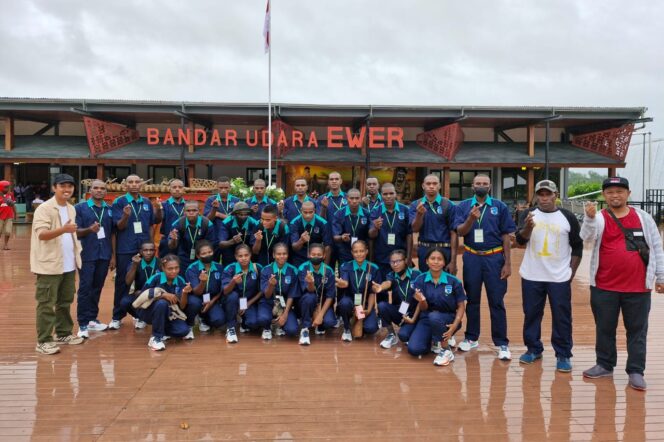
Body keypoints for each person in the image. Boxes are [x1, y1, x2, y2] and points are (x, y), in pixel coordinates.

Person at [580, 177, 664, 391]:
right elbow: (586, 238)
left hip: (638, 287)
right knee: (604, 328)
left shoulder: (644, 217)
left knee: (637, 330)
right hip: (604, 285)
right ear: (604, 195)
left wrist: (661, 276)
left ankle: (636, 371)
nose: (614, 195)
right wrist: (589, 219)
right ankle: (604, 364)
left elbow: (656, 246)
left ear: (628, 193)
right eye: (610, 192)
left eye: (619, 191)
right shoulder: (598, 217)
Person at [515, 180, 583, 372]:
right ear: (536, 196)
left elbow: (577, 245)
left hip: (559, 276)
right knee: (531, 314)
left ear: (555, 195)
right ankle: (533, 349)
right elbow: (520, 241)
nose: (544, 198)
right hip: (532, 274)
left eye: (548, 194)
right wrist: (528, 227)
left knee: (562, 316)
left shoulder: (567, 216)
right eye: (541, 194)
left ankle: (563, 354)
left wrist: (571, 272)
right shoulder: (527, 215)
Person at [454, 174, 516, 360]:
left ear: (490, 186)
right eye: (478, 183)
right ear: (472, 186)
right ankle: (471, 337)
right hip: (472, 256)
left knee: (496, 301)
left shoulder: (500, 206)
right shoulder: (464, 206)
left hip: (494, 258)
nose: (481, 186)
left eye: (485, 183)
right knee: (472, 299)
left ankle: (502, 343)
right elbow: (459, 231)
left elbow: (506, 235)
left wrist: (508, 262)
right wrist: (471, 219)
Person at [31, 174, 85, 354]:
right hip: (49, 265)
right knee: (46, 303)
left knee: (65, 301)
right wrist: (64, 229)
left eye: (70, 186)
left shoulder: (71, 208)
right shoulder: (44, 208)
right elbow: (42, 234)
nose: (67, 189)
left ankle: (63, 333)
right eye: (63, 186)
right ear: (54, 188)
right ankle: (44, 340)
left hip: (68, 264)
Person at [110, 174, 156, 330]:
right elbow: (118, 227)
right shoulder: (119, 202)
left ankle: (140, 315)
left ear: (141, 184)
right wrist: (125, 215)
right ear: (125, 185)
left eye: (137, 181)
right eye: (131, 182)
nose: (134, 184)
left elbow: (151, 225)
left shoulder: (147, 202)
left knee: (144, 282)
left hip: (144, 249)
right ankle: (117, 316)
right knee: (122, 283)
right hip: (126, 248)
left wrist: (150, 244)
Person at [409, 247, 466, 366]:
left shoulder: (453, 281)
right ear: (426, 261)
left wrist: (455, 324)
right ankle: (435, 339)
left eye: (439, 259)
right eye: (432, 258)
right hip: (426, 318)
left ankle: (446, 350)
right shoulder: (420, 279)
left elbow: (461, 305)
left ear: (444, 262)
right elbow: (423, 308)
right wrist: (423, 300)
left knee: (435, 317)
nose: (436, 262)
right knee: (415, 349)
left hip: (448, 318)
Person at [74, 180, 116, 338]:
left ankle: (92, 319)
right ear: (90, 190)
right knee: (85, 288)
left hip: (104, 254)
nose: (99, 191)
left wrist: (113, 256)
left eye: (102, 188)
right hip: (87, 254)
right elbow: (75, 231)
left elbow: (112, 233)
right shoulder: (80, 208)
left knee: (97, 287)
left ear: (106, 191)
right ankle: (82, 323)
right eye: (96, 188)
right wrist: (89, 230)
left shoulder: (109, 209)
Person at [136, 254, 193, 350]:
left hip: (170, 314)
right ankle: (156, 338)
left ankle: (162, 330)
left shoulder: (180, 280)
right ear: (163, 268)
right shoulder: (155, 278)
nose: (174, 271)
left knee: (183, 331)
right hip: (148, 312)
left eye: (176, 268)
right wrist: (162, 295)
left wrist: (184, 292)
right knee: (162, 303)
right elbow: (142, 297)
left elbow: (182, 306)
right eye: (170, 269)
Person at [373, 249, 421, 349]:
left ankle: (414, 331)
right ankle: (391, 335)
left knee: (404, 336)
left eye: (398, 261)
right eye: (392, 262)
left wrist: (414, 318)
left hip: (415, 313)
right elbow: (388, 283)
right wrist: (381, 287)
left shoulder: (417, 275)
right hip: (400, 311)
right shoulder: (391, 275)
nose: (395, 264)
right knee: (382, 306)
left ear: (406, 260)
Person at [409, 174, 457, 273]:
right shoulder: (415, 205)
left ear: (439, 186)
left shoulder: (448, 205)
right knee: (426, 282)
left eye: (435, 183)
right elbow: (414, 229)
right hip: (424, 249)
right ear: (423, 186)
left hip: (444, 249)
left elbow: (454, 233)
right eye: (428, 183)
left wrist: (453, 261)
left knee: (445, 284)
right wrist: (419, 214)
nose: (431, 186)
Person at [336, 240, 382, 342]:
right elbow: (345, 282)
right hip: (351, 301)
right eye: (356, 251)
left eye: (361, 251)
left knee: (371, 328)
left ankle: (361, 320)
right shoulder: (345, 266)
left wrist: (369, 310)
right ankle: (347, 328)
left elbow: (372, 292)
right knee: (344, 303)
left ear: (366, 251)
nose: (359, 254)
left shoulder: (374, 268)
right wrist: (343, 284)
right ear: (352, 253)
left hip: (365, 304)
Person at [222, 244, 268, 340]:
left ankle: (244, 322)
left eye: (246, 255)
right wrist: (233, 282)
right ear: (236, 257)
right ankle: (231, 328)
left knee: (253, 324)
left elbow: (262, 290)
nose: (244, 258)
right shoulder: (230, 269)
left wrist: (248, 303)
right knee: (232, 296)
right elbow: (225, 291)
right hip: (233, 301)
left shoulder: (258, 268)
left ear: (250, 255)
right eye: (240, 256)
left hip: (249, 302)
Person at [369, 182, 413, 280]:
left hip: (400, 258)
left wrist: (409, 258)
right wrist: (375, 227)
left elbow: (409, 235)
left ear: (395, 194)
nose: (388, 196)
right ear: (381, 195)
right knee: (382, 291)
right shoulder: (375, 211)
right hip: (381, 258)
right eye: (385, 194)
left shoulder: (405, 210)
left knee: (400, 290)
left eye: (391, 193)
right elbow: (371, 235)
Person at [260, 243, 302, 342]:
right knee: (263, 318)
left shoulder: (293, 270)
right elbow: (266, 294)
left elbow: (292, 294)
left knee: (292, 330)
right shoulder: (265, 270)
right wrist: (271, 285)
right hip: (268, 303)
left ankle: (280, 325)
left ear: (288, 255)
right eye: (278, 254)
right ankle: (267, 328)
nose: (282, 256)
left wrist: (285, 314)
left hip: (284, 304)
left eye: (284, 254)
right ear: (273, 255)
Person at [184, 241, 226, 334]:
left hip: (212, 299)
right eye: (204, 253)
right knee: (194, 303)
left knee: (219, 320)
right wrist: (202, 282)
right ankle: (190, 324)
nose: (207, 255)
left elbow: (222, 289)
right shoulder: (192, 269)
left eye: (210, 252)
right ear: (198, 256)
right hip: (196, 298)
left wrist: (212, 301)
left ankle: (204, 318)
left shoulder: (220, 267)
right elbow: (196, 292)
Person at [300, 243, 338, 337]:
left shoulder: (329, 271)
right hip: (307, 301)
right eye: (313, 254)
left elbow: (330, 296)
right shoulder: (303, 268)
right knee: (310, 297)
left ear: (324, 256)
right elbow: (309, 290)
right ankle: (305, 328)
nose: (316, 257)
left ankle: (319, 322)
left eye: (319, 255)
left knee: (330, 322)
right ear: (309, 255)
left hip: (323, 302)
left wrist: (320, 315)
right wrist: (310, 283)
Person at [167, 201, 215, 273]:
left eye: (194, 210)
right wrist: (174, 240)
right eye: (188, 211)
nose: (191, 213)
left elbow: (211, 244)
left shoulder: (207, 224)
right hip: (184, 256)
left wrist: (204, 257)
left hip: (202, 256)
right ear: (184, 212)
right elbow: (171, 246)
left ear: (199, 211)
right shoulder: (177, 224)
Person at [121, 240, 159, 329]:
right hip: (139, 295)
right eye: (145, 250)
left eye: (151, 250)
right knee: (125, 302)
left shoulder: (161, 263)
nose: (148, 253)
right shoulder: (135, 263)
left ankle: (157, 319)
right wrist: (134, 265)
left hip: (157, 294)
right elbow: (128, 282)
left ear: (155, 251)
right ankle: (141, 318)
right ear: (141, 252)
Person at [204, 176, 240, 261]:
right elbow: (207, 220)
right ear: (217, 187)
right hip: (215, 236)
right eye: (221, 188)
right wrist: (214, 210)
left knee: (229, 262)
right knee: (213, 262)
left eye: (226, 187)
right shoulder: (211, 200)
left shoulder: (236, 200)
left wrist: (219, 214)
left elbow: (238, 218)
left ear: (230, 188)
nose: (223, 190)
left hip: (230, 238)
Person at [317, 171, 347, 267]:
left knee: (344, 270)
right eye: (331, 179)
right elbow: (319, 221)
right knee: (328, 270)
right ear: (328, 182)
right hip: (328, 240)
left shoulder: (348, 197)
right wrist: (323, 208)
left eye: (336, 179)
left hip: (344, 239)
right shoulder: (322, 198)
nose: (334, 181)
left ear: (341, 181)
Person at [289, 201, 333, 267]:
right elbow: (294, 247)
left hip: (317, 255)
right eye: (305, 212)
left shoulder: (323, 223)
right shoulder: (294, 223)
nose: (308, 215)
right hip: (299, 256)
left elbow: (327, 247)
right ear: (301, 211)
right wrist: (301, 241)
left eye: (310, 212)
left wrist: (325, 267)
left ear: (314, 211)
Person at [332, 188, 370, 264]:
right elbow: (335, 237)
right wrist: (342, 237)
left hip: (362, 252)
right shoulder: (339, 214)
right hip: (345, 252)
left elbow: (370, 235)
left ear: (360, 199)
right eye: (351, 198)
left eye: (357, 198)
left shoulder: (367, 214)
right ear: (347, 199)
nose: (354, 201)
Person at [218, 201, 259, 266]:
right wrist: (232, 241)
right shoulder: (226, 222)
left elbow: (254, 246)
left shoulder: (254, 223)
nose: (243, 217)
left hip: (247, 251)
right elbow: (221, 244)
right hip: (230, 251)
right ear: (235, 214)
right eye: (241, 214)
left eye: (246, 214)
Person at [156, 179, 187, 257]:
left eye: (180, 187)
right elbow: (160, 218)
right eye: (174, 187)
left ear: (183, 189)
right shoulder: (164, 204)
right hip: (168, 239)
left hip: (185, 240)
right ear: (170, 189)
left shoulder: (188, 205)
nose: (177, 189)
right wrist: (158, 208)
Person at [0, 180, 16, 250]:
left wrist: (15, 213)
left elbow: (13, 205)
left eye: (8, 187)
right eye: (5, 187)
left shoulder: (11, 194)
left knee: (8, 231)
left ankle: (6, 245)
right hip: (0, 216)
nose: (7, 189)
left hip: (9, 216)